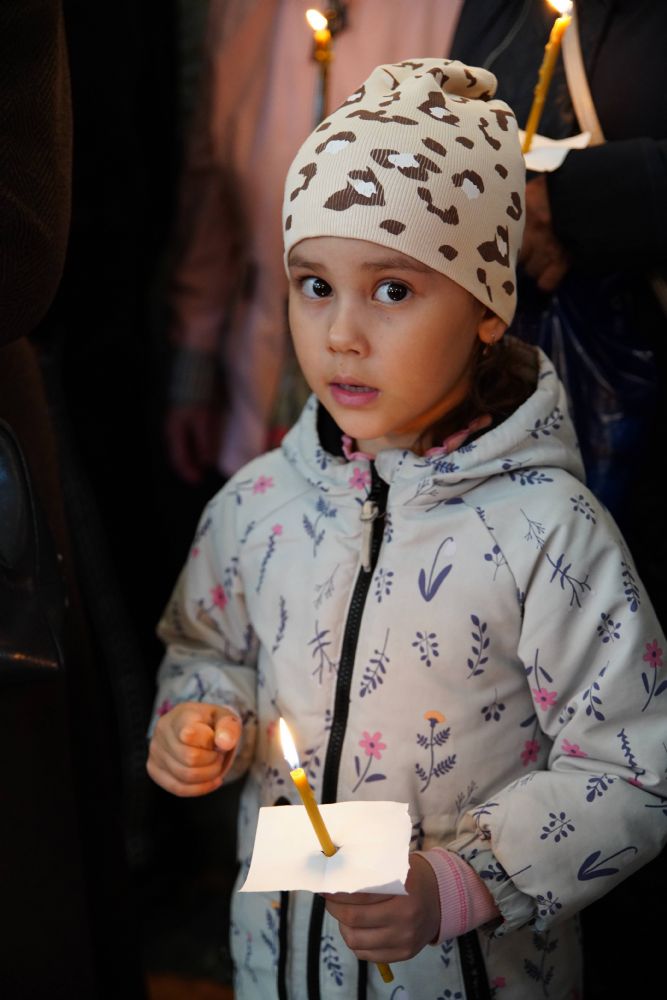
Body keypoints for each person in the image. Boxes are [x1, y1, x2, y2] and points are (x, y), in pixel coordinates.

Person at [147, 59, 667, 998]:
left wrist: (465, 884)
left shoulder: (550, 538)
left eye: (391, 290)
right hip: (278, 972)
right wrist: (200, 717)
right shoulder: (257, 506)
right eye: (313, 284)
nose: (340, 333)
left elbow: (635, 766)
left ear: (485, 308)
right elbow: (206, 649)